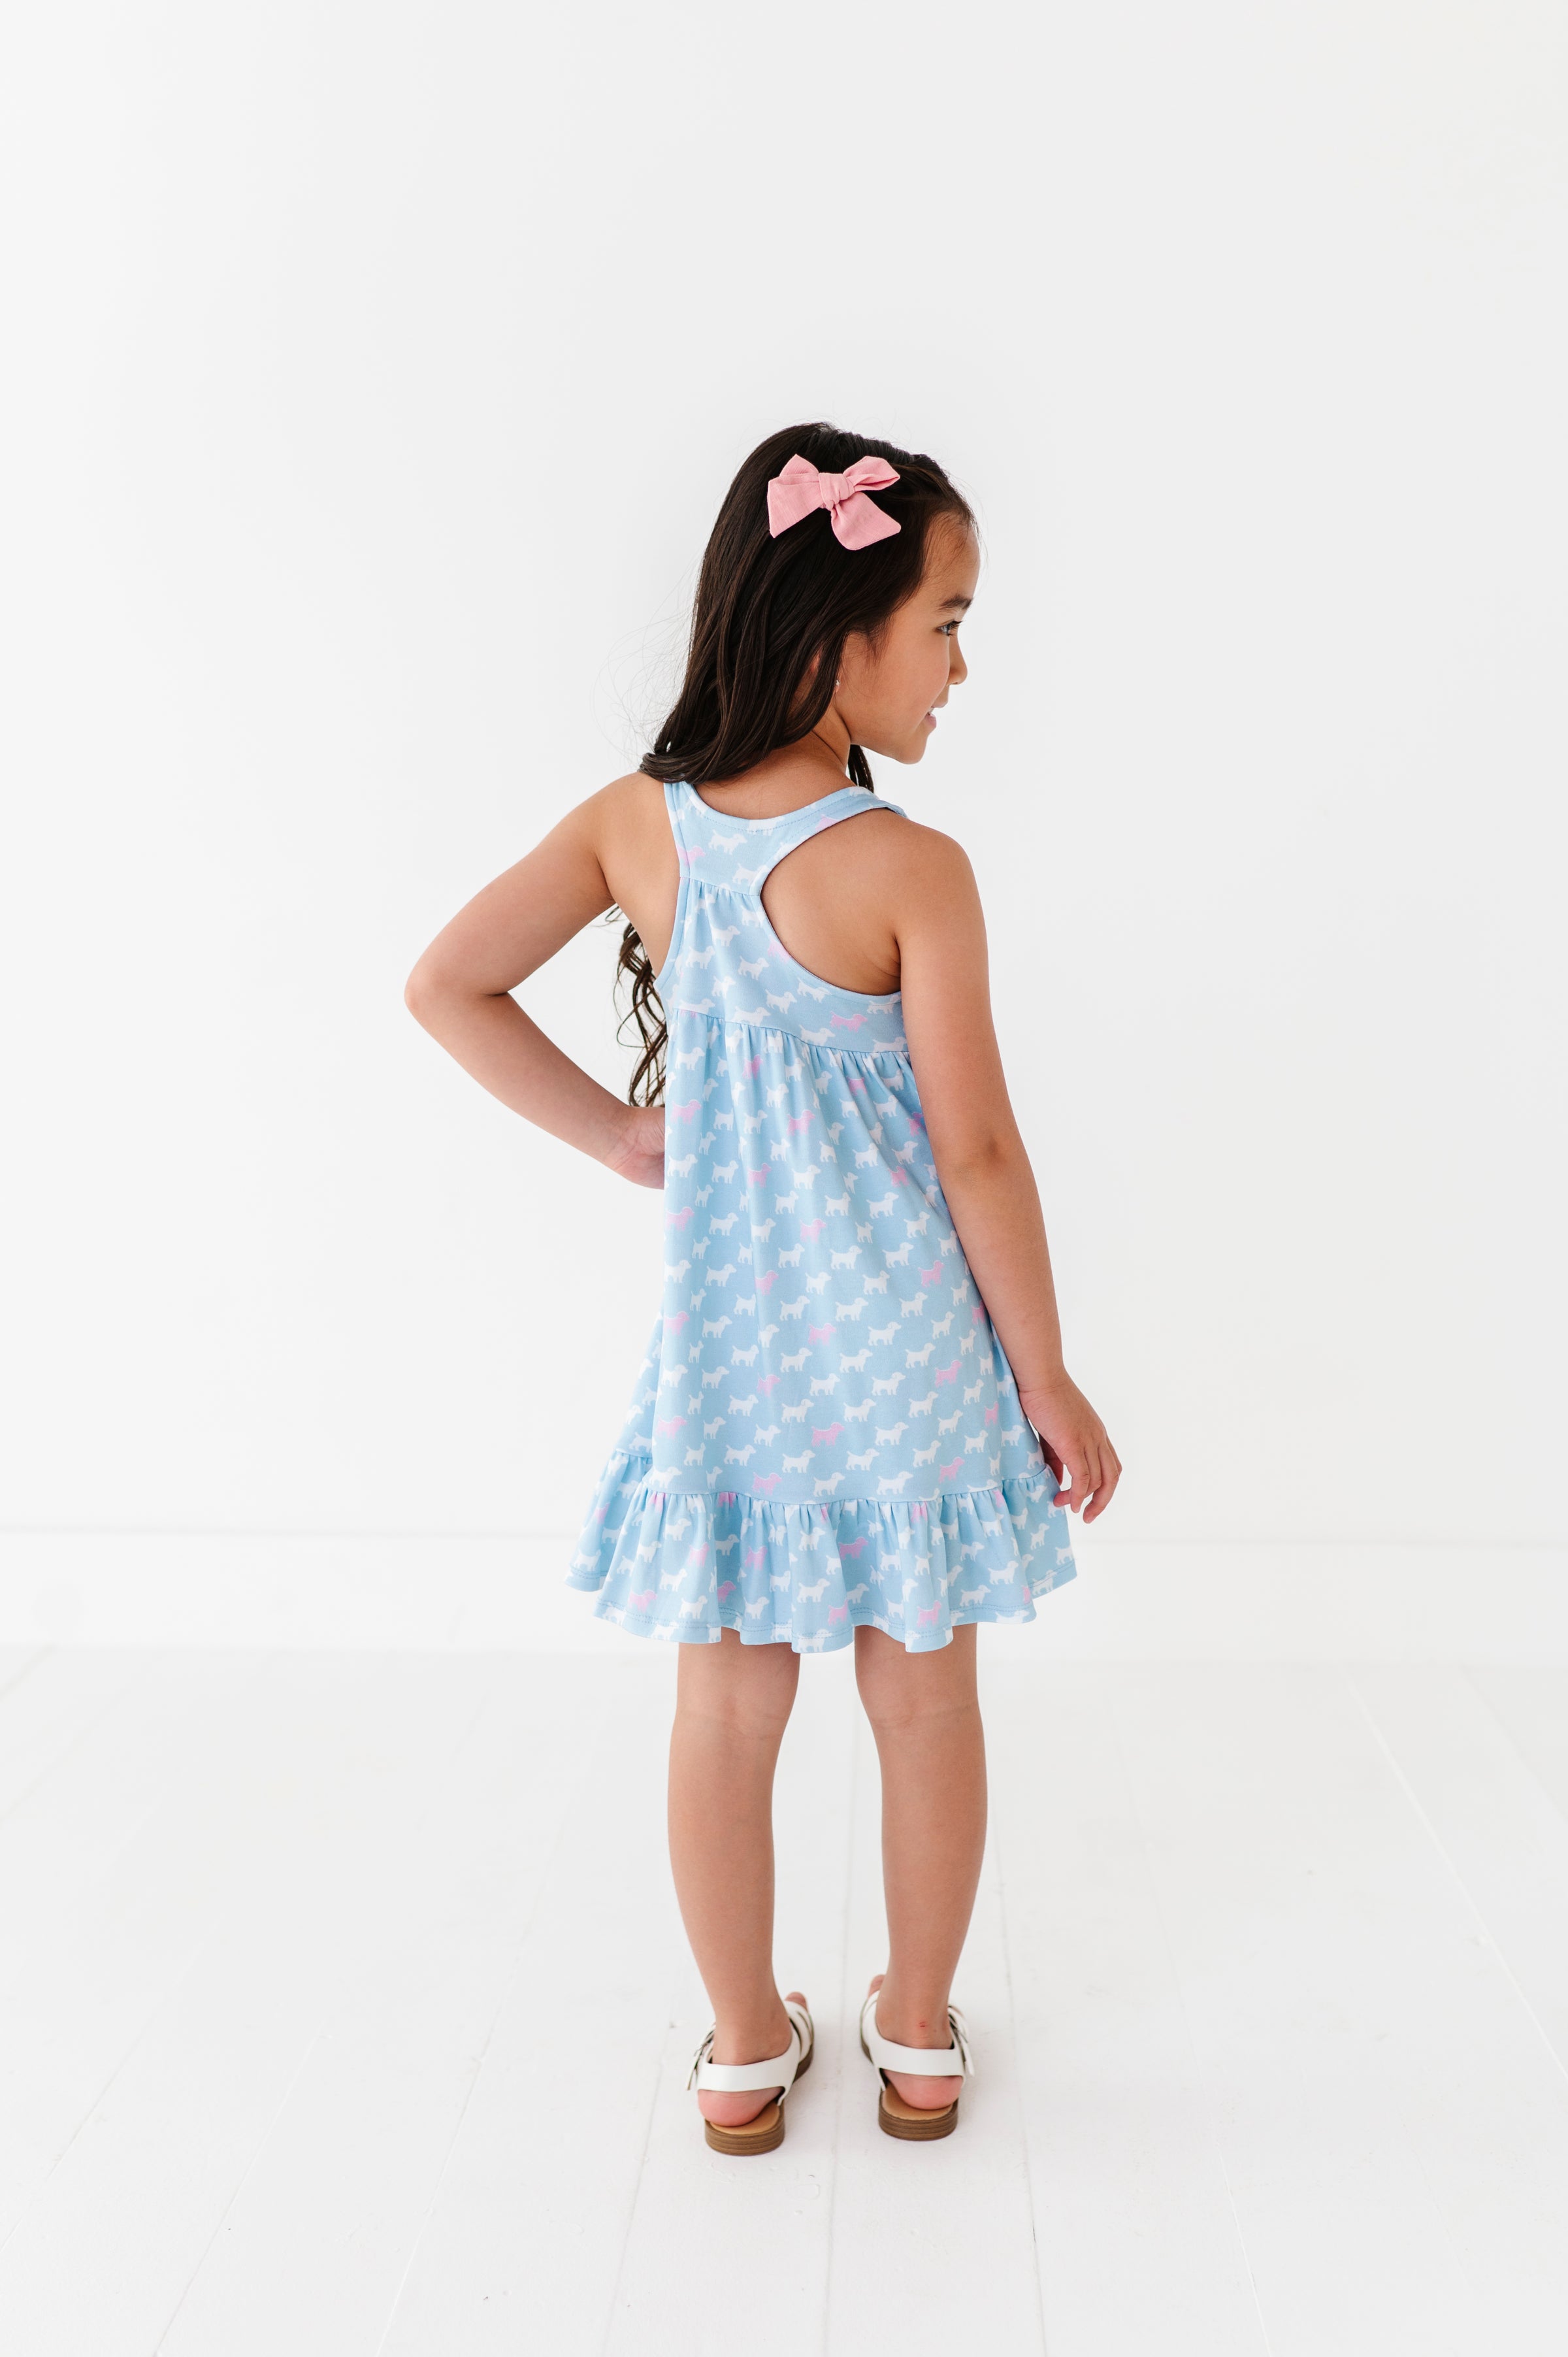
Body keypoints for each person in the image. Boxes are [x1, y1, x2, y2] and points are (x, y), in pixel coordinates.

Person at [405, 421, 1121, 2156]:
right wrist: (1047, 1378)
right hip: (913, 1364)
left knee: (725, 1709)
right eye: (945, 623)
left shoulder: (633, 830)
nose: (962, 668)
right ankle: (919, 2037)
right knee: (923, 1698)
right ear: (835, 634)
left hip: (732, 1370)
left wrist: (618, 1135)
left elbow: (449, 984)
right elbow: (980, 1157)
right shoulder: (912, 870)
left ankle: (742, 2048)